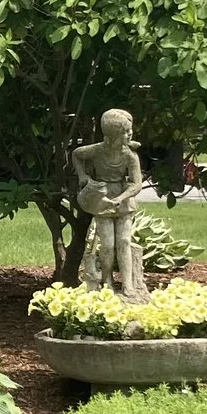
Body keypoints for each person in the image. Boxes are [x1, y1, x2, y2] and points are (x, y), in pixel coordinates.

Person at [72, 108, 148, 302]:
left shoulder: (130, 156)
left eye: (130, 130)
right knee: (107, 244)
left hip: (123, 201)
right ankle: (107, 280)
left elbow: (137, 184)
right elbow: (76, 155)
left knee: (124, 241)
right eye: (125, 131)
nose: (130, 134)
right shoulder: (97, 150)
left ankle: (128, 284)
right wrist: (83, 177)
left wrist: (121, 198)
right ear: (113, 134)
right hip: (103, 199)